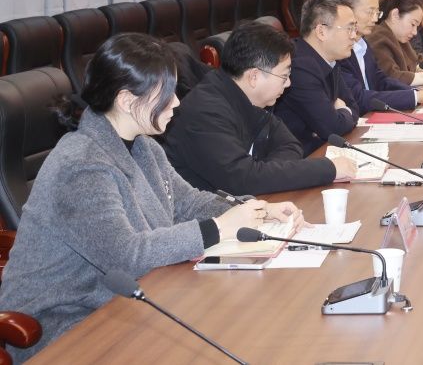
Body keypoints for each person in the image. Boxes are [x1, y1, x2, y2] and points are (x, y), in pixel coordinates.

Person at [0, 34, 301, 362]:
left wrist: (254, 210)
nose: (177, 103)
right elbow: (127, 256)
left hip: (122, 303)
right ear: (127, 100)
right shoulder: (80, 165)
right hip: (64, 325)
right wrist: (219, 228)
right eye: (166, 94)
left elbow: (187, 203)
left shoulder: (144, 146)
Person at [163, 22, 357, 195]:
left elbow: (290, 145)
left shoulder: (249, 97)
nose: (288, 83)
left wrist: (261, 172)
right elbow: (242, 180)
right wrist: (328, 169)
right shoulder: (206, 112)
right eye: (284, 76)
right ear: (254, 77)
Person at [274, 0, 361, 155]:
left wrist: (342, 113)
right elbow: (333, 128)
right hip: (301, 158)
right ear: (321, 31)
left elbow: (354, 106)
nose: (354, 36)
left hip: (321, 149)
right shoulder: (299, 66)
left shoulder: (329, 60)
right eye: (349, 28)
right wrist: (344, 112)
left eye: (355, 29)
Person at [337, 0, 423, 109]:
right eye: (370, 12)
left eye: (377, 13)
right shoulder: (339, 50)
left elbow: (381, 80)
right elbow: (359, 97)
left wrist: (416, 94)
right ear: (347, 11)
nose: (374, 19)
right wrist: (416, 97)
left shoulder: (363, 44)